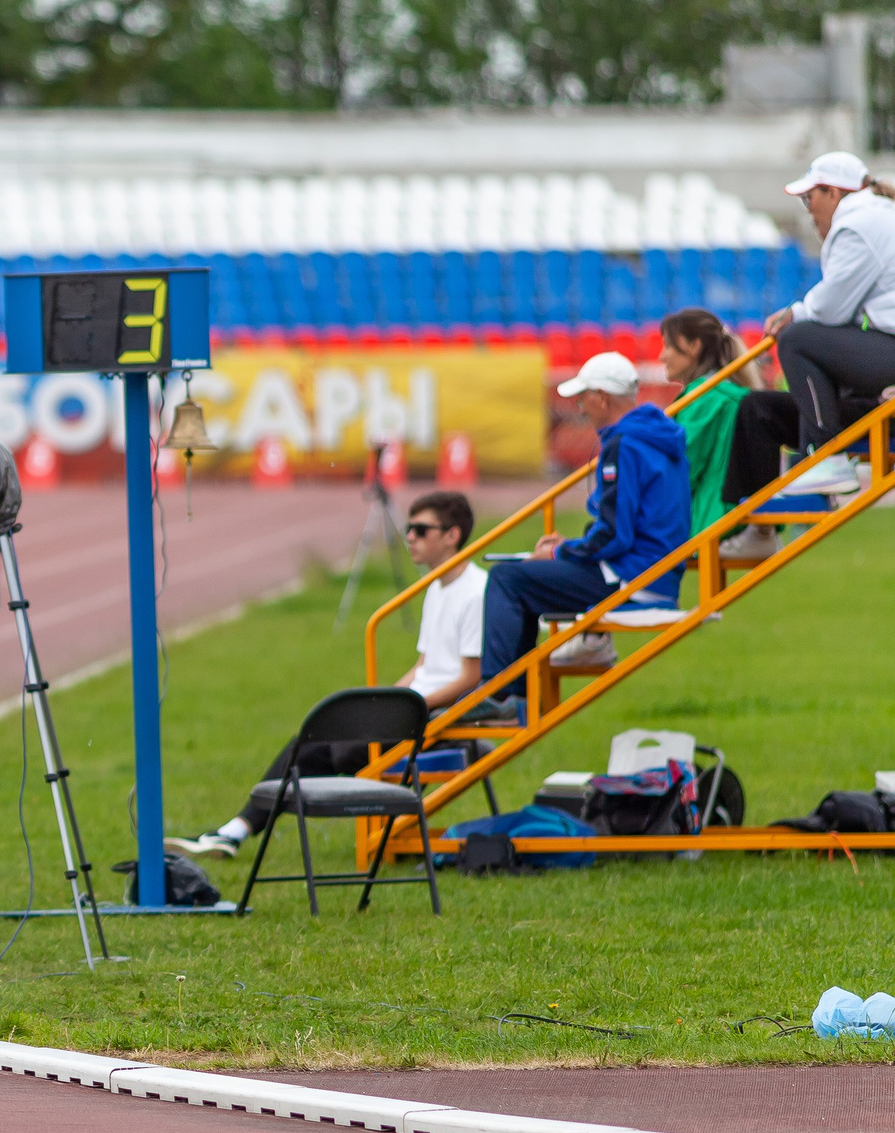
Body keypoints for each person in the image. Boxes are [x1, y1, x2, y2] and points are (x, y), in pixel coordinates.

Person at [171, 490, 486, 860]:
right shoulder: (435, 586)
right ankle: (233, 832)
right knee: (309, 739)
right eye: (408, 529)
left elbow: (471, 678)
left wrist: (409, 705)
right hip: (414, 709)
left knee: (339, 750)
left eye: (420, 530)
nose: (409, 538)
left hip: (437, 717)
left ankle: (241, 832)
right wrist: (382, 702)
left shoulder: (476, 592)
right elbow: (423, 666)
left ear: (452, 536)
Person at [475, 350, 689, 704]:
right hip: (656, 574)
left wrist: (560, 552)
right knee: (525, 581)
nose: (579, 407)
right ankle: (510, 694)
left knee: (508, 579)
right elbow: (630, 525)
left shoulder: (624, 443)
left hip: (632, 579)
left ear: (601, 397)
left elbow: (615, 534)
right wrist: (570, 548)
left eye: (582, 398)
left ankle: (498, 698)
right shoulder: (657, 435)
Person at [761, 152, 895, 496]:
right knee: (815, 349)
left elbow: (831, 310)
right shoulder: (878, 215)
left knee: (796, 339)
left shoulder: (857, 223)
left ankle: (825, 459)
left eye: (810, 197)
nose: (808, 209)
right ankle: (817, 460)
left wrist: (795, 311)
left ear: (834, 193)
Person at [656, 309, 749, 539]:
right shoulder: (722, 392)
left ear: (694, 347)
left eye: (668, 346)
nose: (661, 356)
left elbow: (682, 468)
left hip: (711, 519)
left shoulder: (704, 398)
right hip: (729, 514)